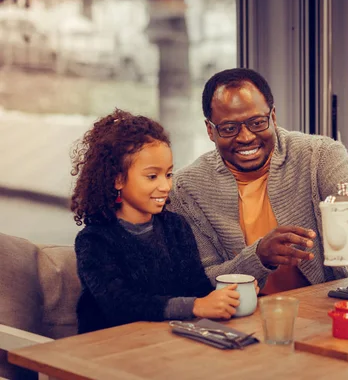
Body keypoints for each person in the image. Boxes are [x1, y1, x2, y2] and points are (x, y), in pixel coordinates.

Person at [169, 68, 348, 294]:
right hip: (238, 318)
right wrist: (258, 258)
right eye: (229, 128)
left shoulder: (317, 154)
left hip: (321, 305)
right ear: (210, 130)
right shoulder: (185, 189)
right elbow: (200, 281)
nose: (246, 137)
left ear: (273, 117)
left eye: (257, 123)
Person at [70, 109, 251, 334]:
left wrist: (229, 294)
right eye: (152, 176)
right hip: (111, 348)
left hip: (168, 342)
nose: (166, 186)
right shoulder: (94, 240)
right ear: (117, 179)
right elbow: (120, 305)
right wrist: (195, 306)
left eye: (168, 174)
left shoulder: (176, 226)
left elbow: (197, 288)